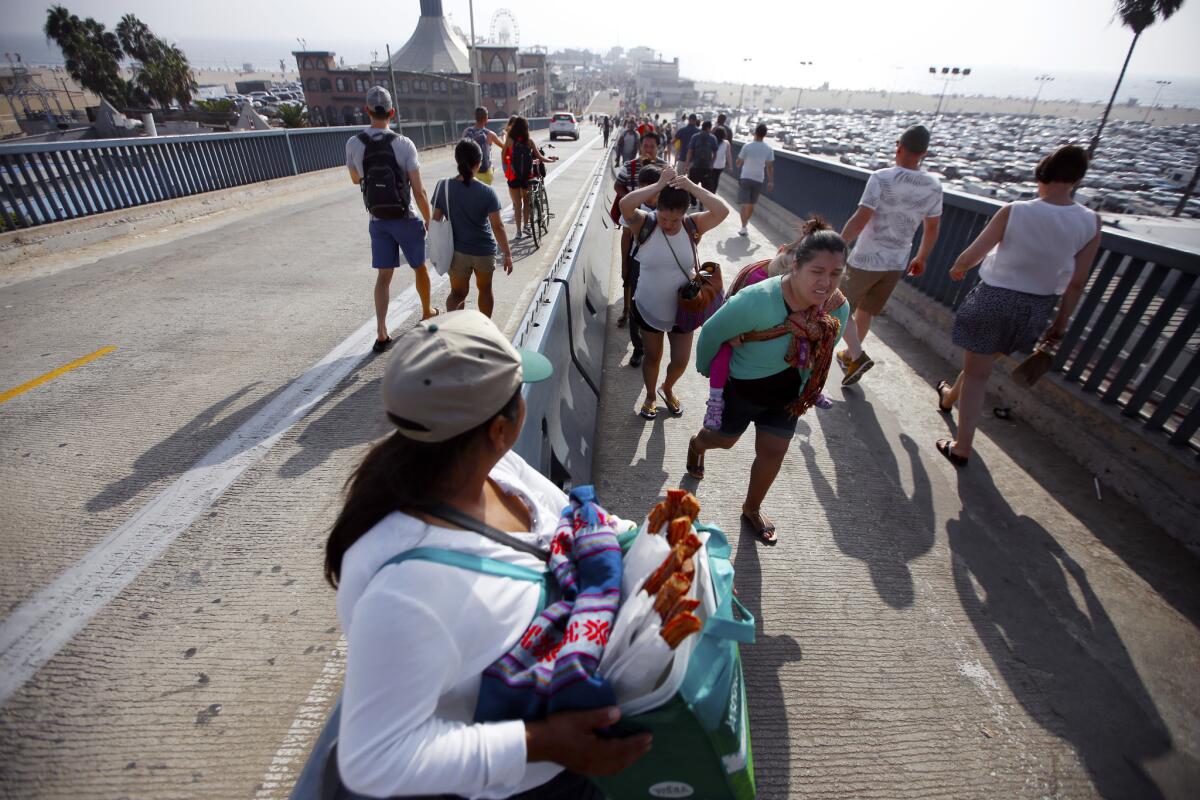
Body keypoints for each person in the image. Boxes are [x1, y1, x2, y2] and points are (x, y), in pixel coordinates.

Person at [327, 310, 651, 798]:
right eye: (519, 393)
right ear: (501, 427)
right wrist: (540, 744)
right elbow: (374, 760)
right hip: (524, 785)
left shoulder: (498, 470)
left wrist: (653, 539)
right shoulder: (406, 591)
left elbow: (574, 518)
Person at [935, 145, 1101, 466]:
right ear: (1078, 179)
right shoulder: (1090, 221)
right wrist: (1061, 323)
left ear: (1044, 172)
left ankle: (962, 446)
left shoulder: (1017, 210)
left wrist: (958, 268)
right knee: (981, 364)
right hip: (1035, 308)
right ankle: (949, 396)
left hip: (994, 297)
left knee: (978, 372)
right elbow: (1077, 281)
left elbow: (973, 254)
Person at [688, 218, 851, 544]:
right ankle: (696, 445)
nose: (826, 283)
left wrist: (809, 387)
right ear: (795, 264)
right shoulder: (756, 300)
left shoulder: (837, 309)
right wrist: (709, 371)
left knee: (774, 451)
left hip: (789, 396)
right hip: (744, 389)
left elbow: (825, 352)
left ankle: (752, 508)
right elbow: (710, 333)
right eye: (817, 271)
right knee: (723, 439)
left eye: (836, 273)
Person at [618, 166, 730, 420]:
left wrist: (691, 186)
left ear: (684, 214)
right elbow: (625, 204)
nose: (668, 225)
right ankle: (650, 396)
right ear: (657, 209)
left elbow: (722, 211)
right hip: (649, 304)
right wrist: (658, 185)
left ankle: (667, 387)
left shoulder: (692, 226)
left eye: (675, 219)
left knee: (680, 360)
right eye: (664, 218)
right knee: (653, 356)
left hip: (684, 307)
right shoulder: (645, 223)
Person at [836, 124, 942, 385]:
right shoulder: (933, 186)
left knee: (840, 305)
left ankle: (857, 355)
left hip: (866, 258)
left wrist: (836, 245)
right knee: (867, 312)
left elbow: (861, 218)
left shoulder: (882, 178)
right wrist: (922, 257)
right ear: (924, 153)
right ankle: (850, 357)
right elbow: (932, 228)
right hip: (897, 261)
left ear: (899, 147)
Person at [704, 242, 840, 429]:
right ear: (781, 249)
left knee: (811, 349)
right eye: (784, 264)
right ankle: (715, 400)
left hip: (785, 350)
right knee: (722, 356)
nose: (784, 272)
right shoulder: (756, 279)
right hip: (740, 334)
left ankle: (811, 388)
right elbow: (733, 314)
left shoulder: (806, 288)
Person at [345, 86, 438, 353]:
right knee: (419, 267)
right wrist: (429, 220)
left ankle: (382, 332)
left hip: (377, 219)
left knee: (384, 276)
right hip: (406, 217)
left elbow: (355, 179)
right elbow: (418, 190)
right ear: (392, 112)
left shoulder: (353, 144)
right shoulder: (404, 144)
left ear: (367, 111)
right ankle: (426, 312)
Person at [432, 139, 513, 318]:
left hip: (457, 252)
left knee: (457, 294)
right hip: (484, 251)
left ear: (457, 161)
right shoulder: (487, 192)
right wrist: (507, 254)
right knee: (485, 290)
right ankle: (484, 327)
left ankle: (454, 328)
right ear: (478, 163)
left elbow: (435, 220)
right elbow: (497, 226)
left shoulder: (443, 186)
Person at [614, 133, 669, 330]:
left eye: (652, 146)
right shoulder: (630, 166)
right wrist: (630, 201)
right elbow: (618, 185)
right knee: (629, 278)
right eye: (645, 145)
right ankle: (626, 311)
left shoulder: (664, 169)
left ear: (658, 148)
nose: (648, 149)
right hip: (633, 220)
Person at [619, 165, 662, 367]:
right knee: (636, 308)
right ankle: (638, 348)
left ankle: (652, 346)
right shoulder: (633, 208)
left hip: (661, 267)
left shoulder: (667, 208)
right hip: (637, 264)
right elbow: (626, 236)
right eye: (646, 188)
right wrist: (624, 264)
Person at [503, 115, 558, 240]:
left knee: (517, 205)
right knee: (526, 202)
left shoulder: (510, 140)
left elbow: (504, 156)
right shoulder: (529, 141)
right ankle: (526, 226)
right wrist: (550, 160)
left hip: (513, 177)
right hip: (527, 177)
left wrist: (508, 168)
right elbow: (539, 157)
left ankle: (518, 232)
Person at [736, 123, 775, 236]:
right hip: (759, 179)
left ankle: (744, 226)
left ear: (755, 133)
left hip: (746, 177)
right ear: (765, 135)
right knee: (751, 205)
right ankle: (744, 226)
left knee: (746, 204)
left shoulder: (747, 146)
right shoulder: (768, 149)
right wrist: (771, 181)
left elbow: (738, 163)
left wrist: (740, 161)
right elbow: (769, 167)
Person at [462, 106, 506, 186]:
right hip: (485, 174)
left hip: (469, 173)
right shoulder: (490, 134)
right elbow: (504, 147)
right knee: (483, 196)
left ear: (475, 117)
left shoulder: (466, 132)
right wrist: (504, 136)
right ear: (486, 118)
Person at [683, 120, 719, 209]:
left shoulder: (695, 137)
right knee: (706, 188)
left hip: (696, 166)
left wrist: (687, 164)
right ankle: (700, 203)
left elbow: (690, 152)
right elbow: (715, 153)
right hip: (706, 167)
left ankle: (694, 203)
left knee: (692, 186)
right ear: (708, 128)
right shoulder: (712, 138)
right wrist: (712, 164)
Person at [703, 126, 732, 197]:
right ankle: (713, 195)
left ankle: (705, 195)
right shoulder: (727, 143)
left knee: (708, 180)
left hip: (710, 165)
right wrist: (730, 166)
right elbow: (728, 155)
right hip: (720, 166)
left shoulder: (711, 141)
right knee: (716, 180)